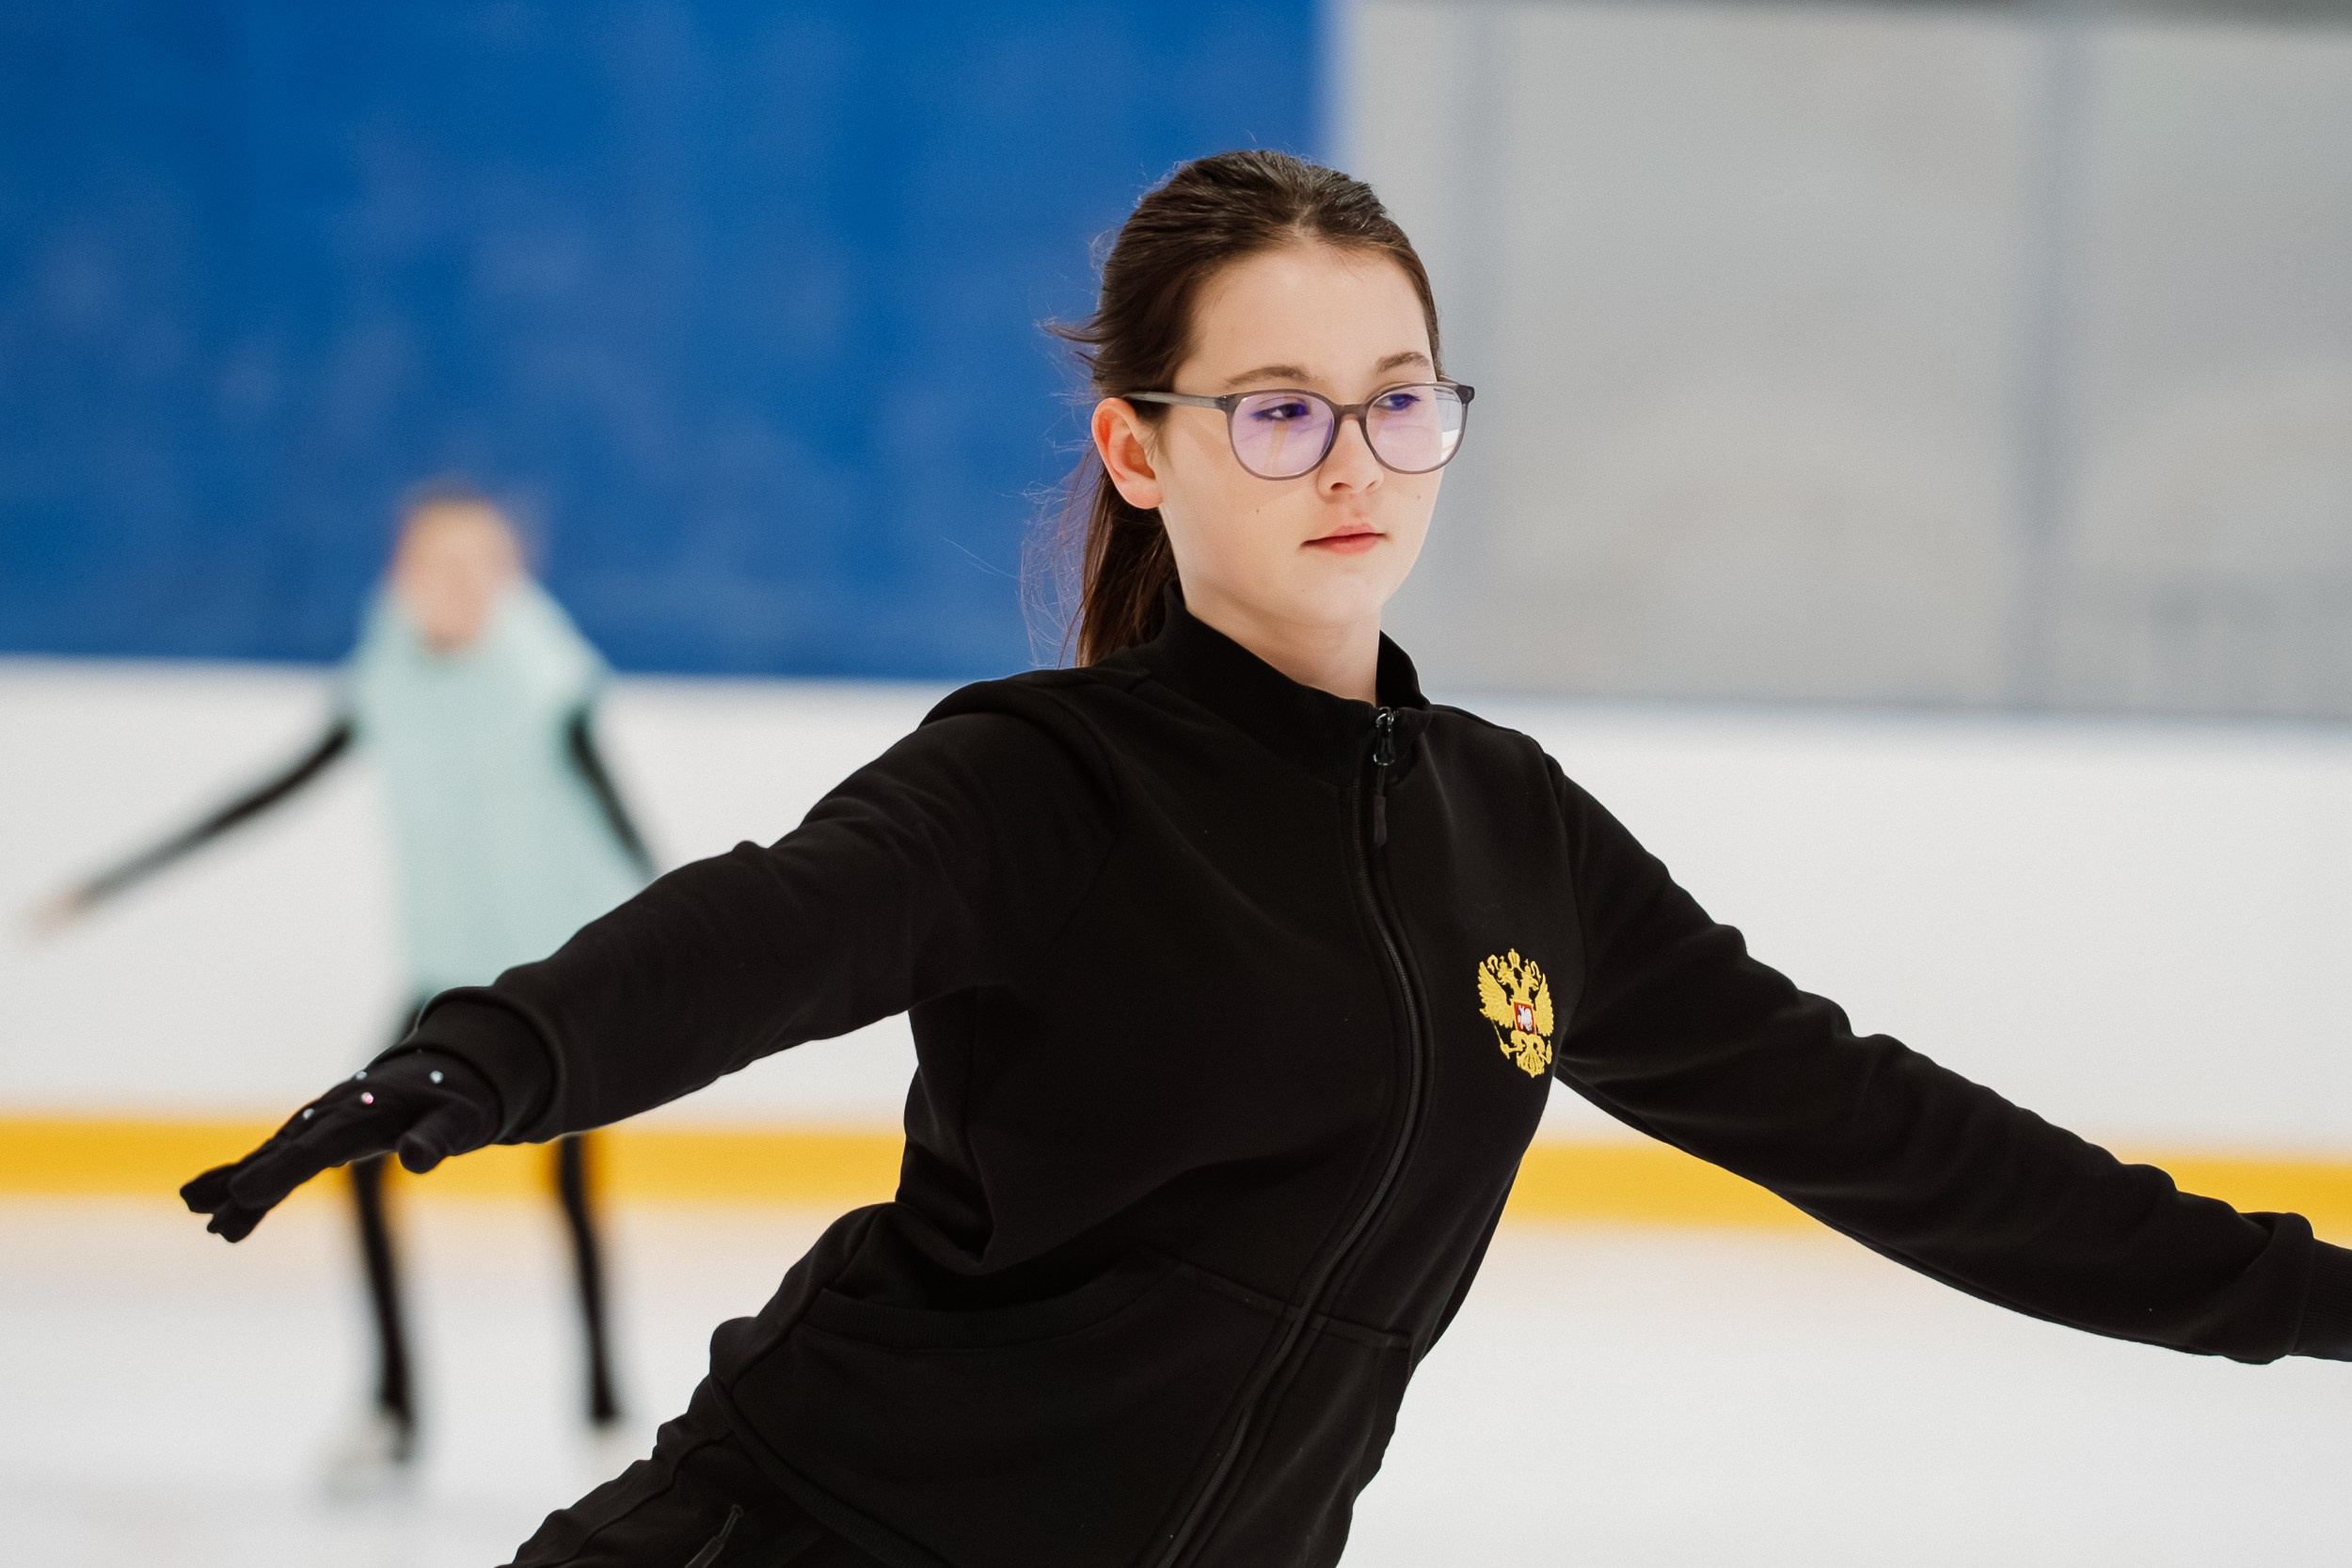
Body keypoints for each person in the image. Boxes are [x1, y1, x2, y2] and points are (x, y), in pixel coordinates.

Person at [182, 151, 2350, 1568]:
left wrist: (2306, 1298)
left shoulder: (1519, 839)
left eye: (1399, 396)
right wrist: (490, 1054)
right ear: (1142, 447)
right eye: (1279, 406)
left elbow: (1884, 1132)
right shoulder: (1045, 782)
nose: (1355, 457)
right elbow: (767, 923)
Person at [47, 485, 651, 1490]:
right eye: (434, 564)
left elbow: (630, 833)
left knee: (572, 1181)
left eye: (479, 566)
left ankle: (601, 1411)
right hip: (442, 976)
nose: (456, 585)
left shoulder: (550, 680)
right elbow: (271, 790)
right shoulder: (387, 675)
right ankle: (393, 1407)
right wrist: (109, 882)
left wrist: (683, 959)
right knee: (361, 1157)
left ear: (509, 578)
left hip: (556, 974)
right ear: (399, 575)